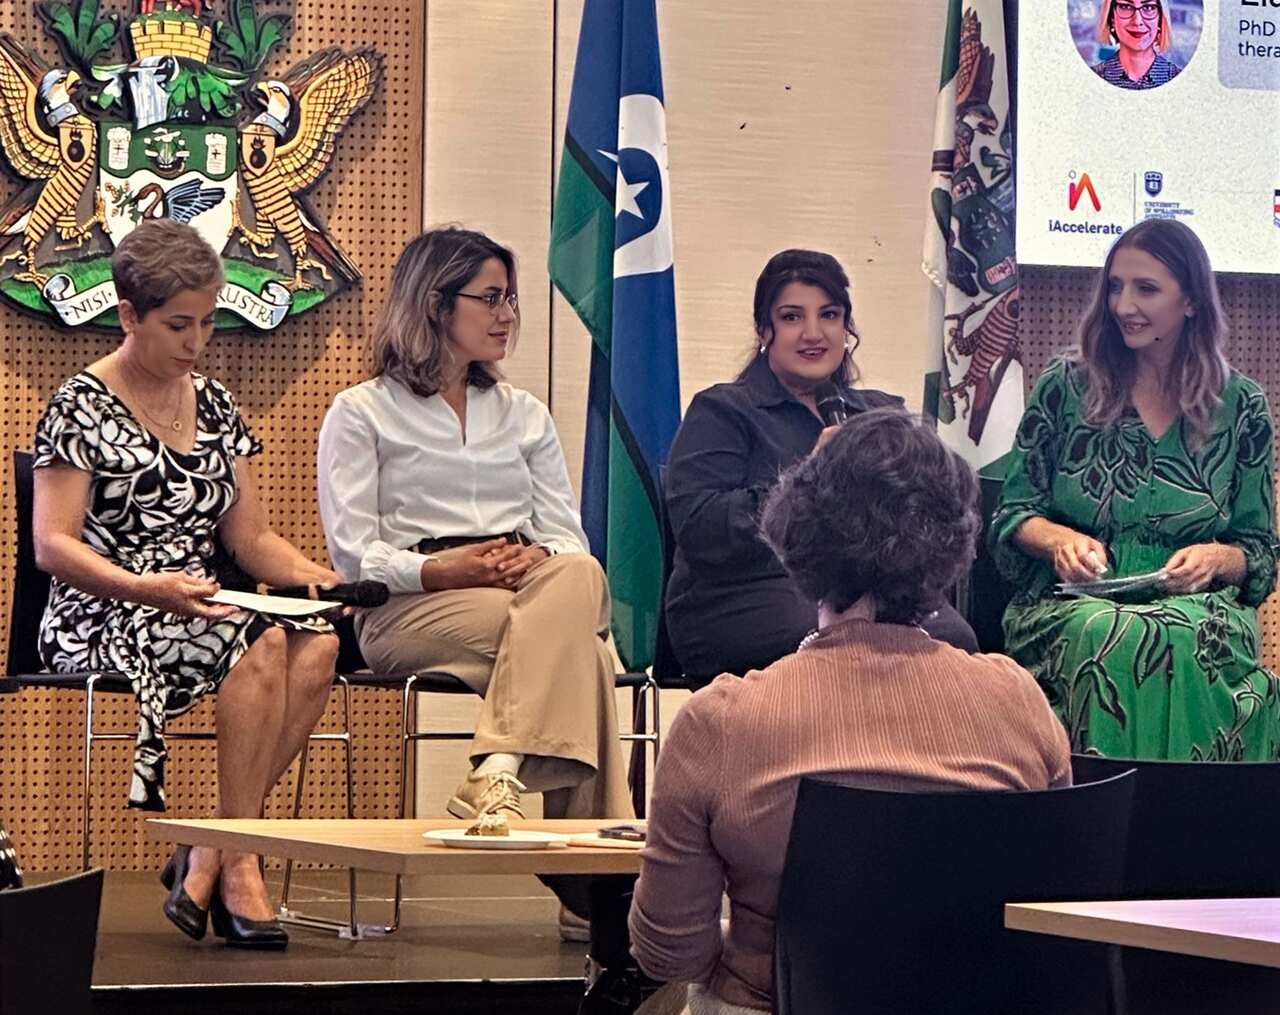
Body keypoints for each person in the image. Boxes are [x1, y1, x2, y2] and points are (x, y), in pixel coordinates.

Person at [630, 409, 1070, 1014]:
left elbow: (669, 955)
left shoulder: (719, 721)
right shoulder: (1019, 701)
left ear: (795, 535)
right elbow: (1049, 913)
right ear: (953, 543)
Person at [32, 219, 341, 949]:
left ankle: (210, 848)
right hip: (103, 606)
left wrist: (326, 578)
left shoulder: (217, 403)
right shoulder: (79, 403)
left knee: (320, 644)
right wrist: (147, 588)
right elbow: (52, 545)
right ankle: (240, 865)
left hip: (199, 601)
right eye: (178, 324)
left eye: (205, 322)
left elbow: (250, 539)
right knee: (261, 643)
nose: (196, 341)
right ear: (128, 314)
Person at [317, 225, 633, 829]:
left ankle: (499, 769)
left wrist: (537, 557)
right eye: (490, 298)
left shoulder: (523, 414)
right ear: (436, 304)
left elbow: (568, 536)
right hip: (408, 606)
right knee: (583, 656)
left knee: (579, 573)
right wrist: (439, 570)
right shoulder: (361, 412)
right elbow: (354, 557)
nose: (507, 315)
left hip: (520, 591)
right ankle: (590, 886)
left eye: (510, 298)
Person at [992, 219, 1280, 760]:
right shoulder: (1064, 387)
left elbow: (1260, 554)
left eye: (1146, 288)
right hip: (1072, 603)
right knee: (1109, 633)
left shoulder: (1241, 407)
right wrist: (1056, 540)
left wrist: (1219, 557)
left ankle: (1188, 831)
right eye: (1116, 287)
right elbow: (1011, 514)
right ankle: (1106, 829)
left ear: (1191, 301)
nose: (1124, 305)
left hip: (1195, 606)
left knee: (1185, 640)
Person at [663, 248, 977, 685]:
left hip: (874, 589)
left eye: (828, 315)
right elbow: (700, 527)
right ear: (764, 329)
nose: (813, 333)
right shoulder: (723, 410)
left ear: (846, 327)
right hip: (745, 593)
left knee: (954, 636)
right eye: (792, 317)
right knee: (838, 640)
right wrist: (808, 471)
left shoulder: (878, 412)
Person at [1092, 0, 1181, 90]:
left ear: (1160, 19)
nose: (1137, 21)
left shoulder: (1180, 81)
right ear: (1112, 18)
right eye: (1125, 7)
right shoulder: (1093, 80)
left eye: (1148, 7)